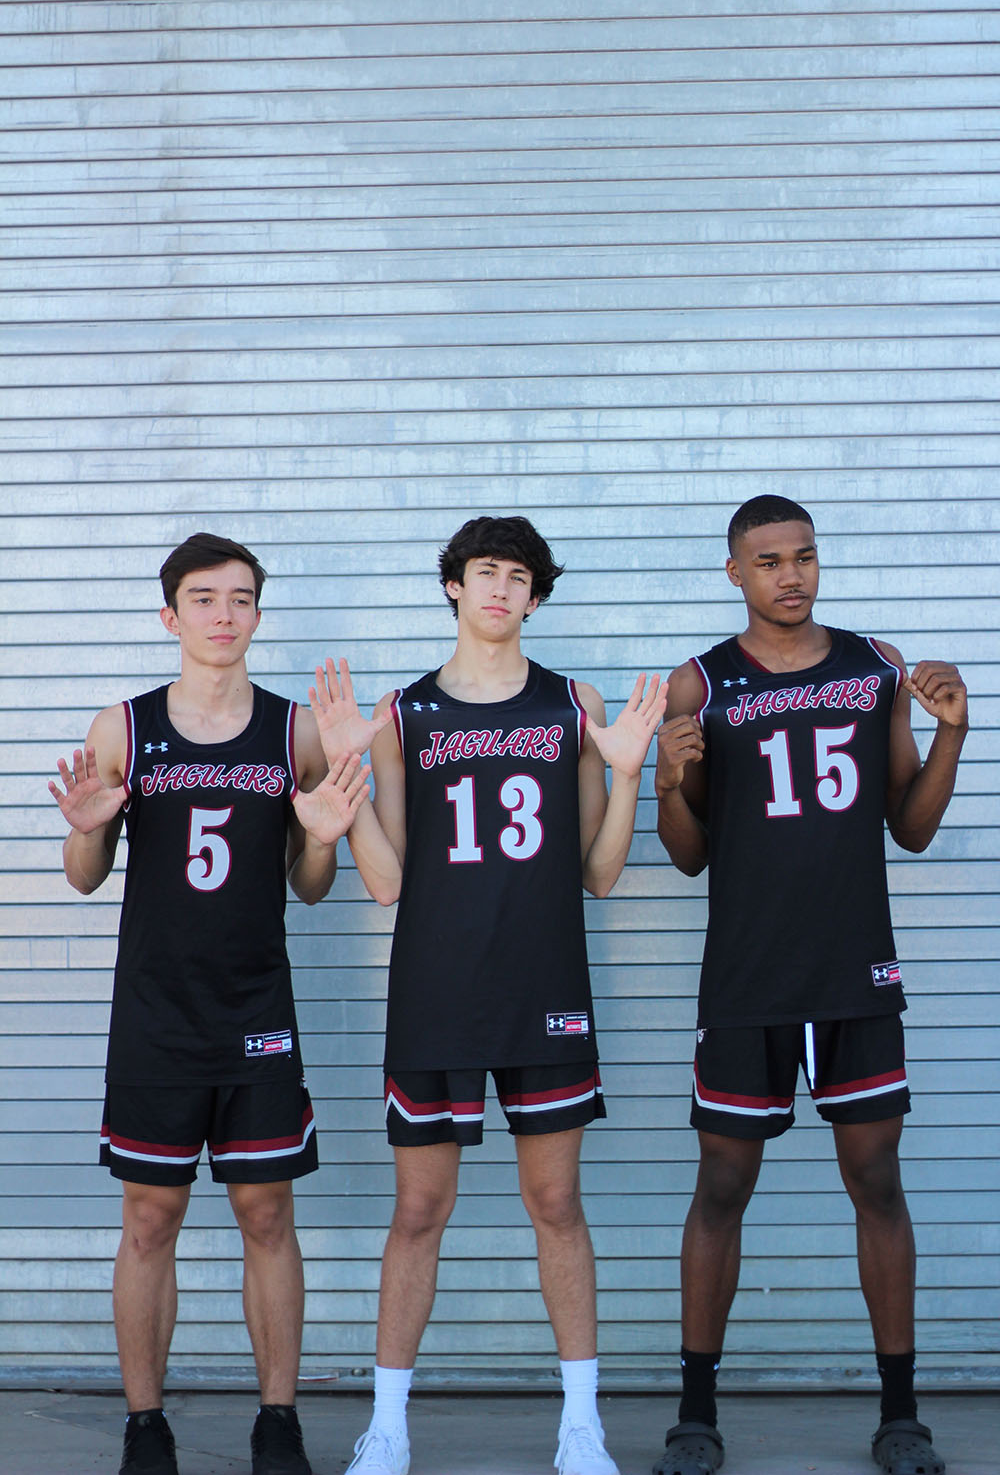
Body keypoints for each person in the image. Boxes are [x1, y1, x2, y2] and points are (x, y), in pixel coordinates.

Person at [308, 515, 667, 1475]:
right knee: (418, 1212)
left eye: (519, 576)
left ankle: (579, 1426)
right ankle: (387, 1427)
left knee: (557, 1202)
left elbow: (598, 872)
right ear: (454, 588)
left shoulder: (570, 706)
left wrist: (629, 778)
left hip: (544, 985)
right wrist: (345, 800)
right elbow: (388, 881)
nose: (501, 589)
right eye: (484, 573)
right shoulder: (401, 714)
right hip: (436, 993)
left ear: (536, 596)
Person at [652, 494, 968, 1475]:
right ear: (734, 573)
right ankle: (695, 1415)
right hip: (748, 975)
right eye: (769, 560)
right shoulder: (697, 684)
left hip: (852, 968)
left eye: (805, 557)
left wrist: (952, 732)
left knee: (876, 1179)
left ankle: (899, 1413)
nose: (791, 575)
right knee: (722, 1184)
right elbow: (690, 855)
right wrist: (666, 781)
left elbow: (908, 828)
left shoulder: (874, 667)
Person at [49, 533, 371, 1475]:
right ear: (170, 615)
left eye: (239, 599)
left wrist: (322, 839)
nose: (222, 614)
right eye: (203, 599)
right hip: (156, 1016)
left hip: (255, 1011)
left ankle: (279, 1423)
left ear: (258, 616)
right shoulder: (125, 727)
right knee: (150, 1220)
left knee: (267, 1214)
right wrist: (84, 832)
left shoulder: (292, 731)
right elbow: (83, 878)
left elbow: (309, 885)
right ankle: (145, 1429)